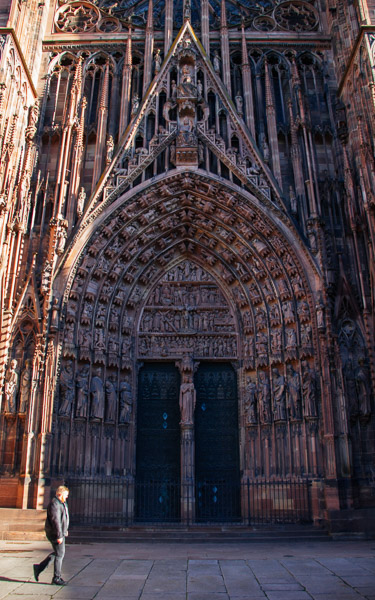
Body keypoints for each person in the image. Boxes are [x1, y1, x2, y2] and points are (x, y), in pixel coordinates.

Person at [33, 485, 70, 586]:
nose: (66, 497)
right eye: (65, 495)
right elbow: (56, 521)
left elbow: (64, 518)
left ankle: (39, 568)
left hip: (60, 532)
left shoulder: (61, 503)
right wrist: (59, 535)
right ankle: (56, 578)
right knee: (60, 554)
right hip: (55, 533)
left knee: (58, 553)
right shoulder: (55, 504)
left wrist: (65, 530)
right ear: (59, 494)